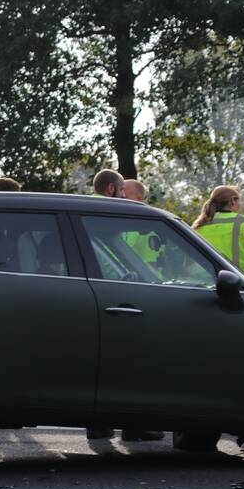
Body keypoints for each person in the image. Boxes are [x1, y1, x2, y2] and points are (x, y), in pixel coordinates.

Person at [87, 169, 164, 442]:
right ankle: (134, 425)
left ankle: (99, 424)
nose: (123, 196)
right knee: (131, 364)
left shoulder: (86, 212)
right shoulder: (108, 214)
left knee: (98, 364)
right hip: (115, 296)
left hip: (88, 299)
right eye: (121, 191)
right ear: (111, 190)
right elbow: (113, 263)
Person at [192, 185, 244, 282]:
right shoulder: (243, 221)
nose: (241, 204)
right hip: (242, 283)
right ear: (232, 200)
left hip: (206, 283)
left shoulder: (198, 226)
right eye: (239, 200)